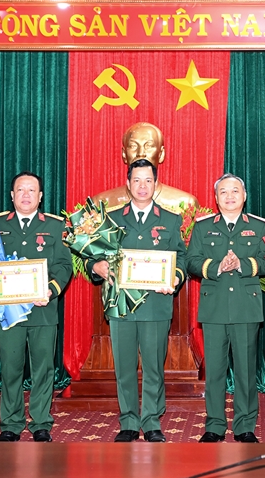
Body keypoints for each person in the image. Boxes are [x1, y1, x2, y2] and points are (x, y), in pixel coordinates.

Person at [89, 159, 187, 443]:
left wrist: (175, 277)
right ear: (128, 183)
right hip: (121, 305)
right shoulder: (111, 219)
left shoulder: (170, 219)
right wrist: (96, 267)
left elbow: (181, 257)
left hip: (156, 305)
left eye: (148, 180)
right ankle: (129, 422)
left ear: (156, 184)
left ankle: (152, 421)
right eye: (137, 180)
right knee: (124, 367)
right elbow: (93, 254)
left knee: (154, 366)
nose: (142, 186)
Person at [0, 171, 73, 442]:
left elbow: (64, 265)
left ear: (40, 196)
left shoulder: (55, 226)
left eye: (32, 190)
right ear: (12, 195)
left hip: (43, 309)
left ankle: (41, 422)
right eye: (21, 190)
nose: (26, 195)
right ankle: (10, 423)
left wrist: (51, 289)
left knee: (43, 368)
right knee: (11, 368)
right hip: (9, 311)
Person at [186, 174, 265, 443]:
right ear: (216, 198)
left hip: (246, 307)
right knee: (214, 371)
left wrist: (241, 265)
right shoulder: (203, 227)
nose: (230, 196)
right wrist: (217, 267)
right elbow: (191, 261)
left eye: (235, 191)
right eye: (223, 192)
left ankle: (245, 426)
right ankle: (214, 425)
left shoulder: (259, 226)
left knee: (246, 370)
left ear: (244, 196)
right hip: (214, 307)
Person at [94, 122, 198, 210]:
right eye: (133, 146)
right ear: (124, 154)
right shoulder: (100, 204)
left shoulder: (186, 204)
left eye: (149, 146)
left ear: (161, 154)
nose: (141, 153)